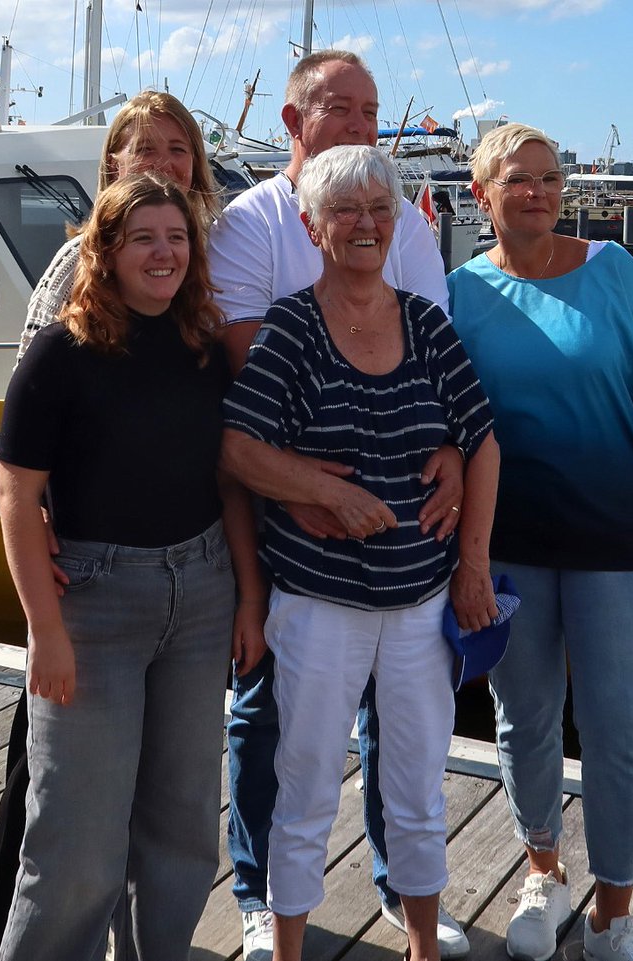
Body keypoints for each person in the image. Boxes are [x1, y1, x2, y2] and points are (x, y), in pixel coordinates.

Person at [208, 50, 470, 961]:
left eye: (370, 108)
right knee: (281, 741)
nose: (361, 123)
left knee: (412, 764)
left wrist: (455, 461)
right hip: (300, 549)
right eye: (339, 109)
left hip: (410, 574)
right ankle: (262, 903)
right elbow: (247, 391)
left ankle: (409, 905)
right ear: (294, 123)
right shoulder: (251, 229)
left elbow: (450, 388)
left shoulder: (407, 242)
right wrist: (327, 481)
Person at [0, 91, 226, 961]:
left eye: (177, 237)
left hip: (199, 594)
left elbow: (224, 472)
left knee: (186, 826)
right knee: (76, 842)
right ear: (107, 250)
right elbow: (14, 493)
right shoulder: (63, 346)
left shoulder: (201, 337)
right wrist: (45, 630)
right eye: (143, 238)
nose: (163, 252)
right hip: (96, 598)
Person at [446, 123, 633, 961]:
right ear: (480, 195)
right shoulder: (459, 292)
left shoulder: (614, 272)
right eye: (517, 180)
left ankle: (613, 914)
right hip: (509, 544)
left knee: (621, 725)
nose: (537, 192)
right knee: (524, 718)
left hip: (616, 540)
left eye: (549, 178)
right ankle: (542, 875)